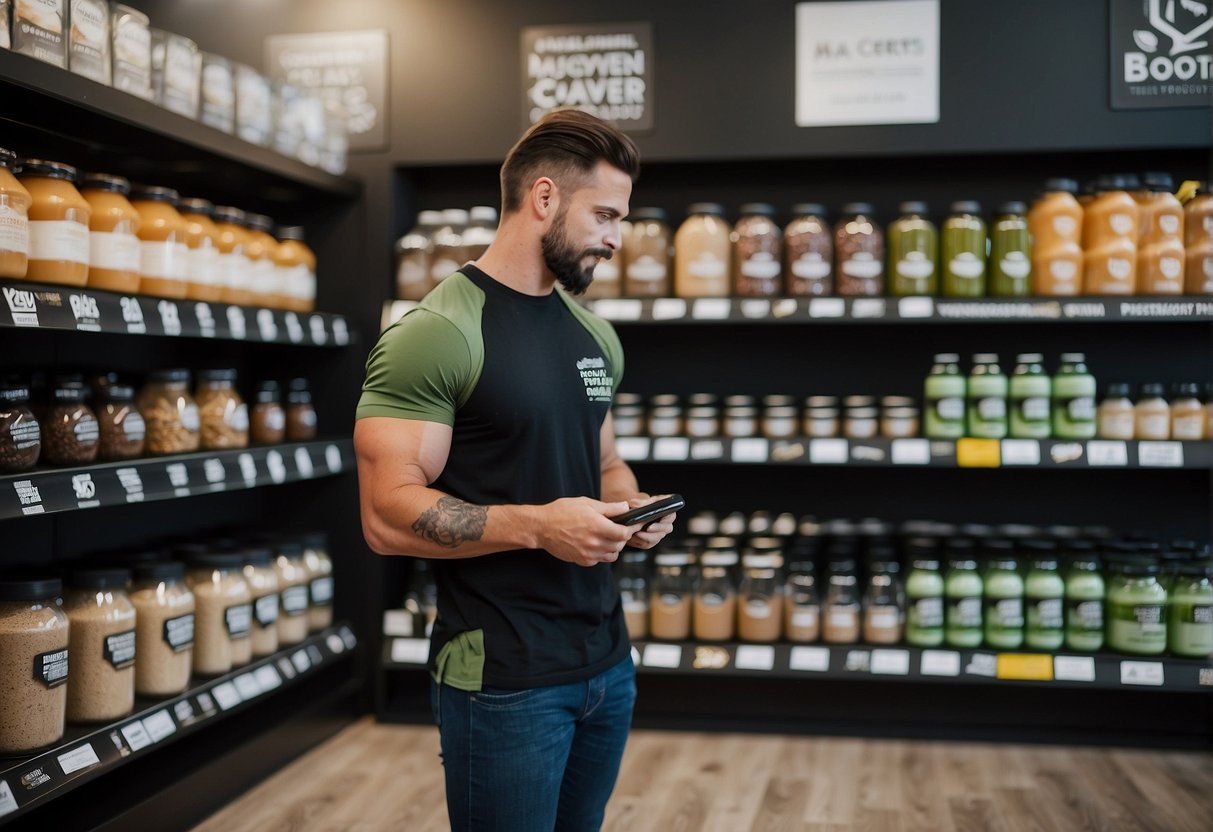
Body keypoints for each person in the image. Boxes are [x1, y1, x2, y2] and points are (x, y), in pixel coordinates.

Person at [354, 108, 677, 831]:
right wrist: (539, 528)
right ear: (543, 199)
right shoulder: (436, 335)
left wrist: (630, 509)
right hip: (500, 676)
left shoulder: (594, 334)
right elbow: (384, 513)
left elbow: (606, 461)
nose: (615, 238)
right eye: (603, 215)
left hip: (605, 661)